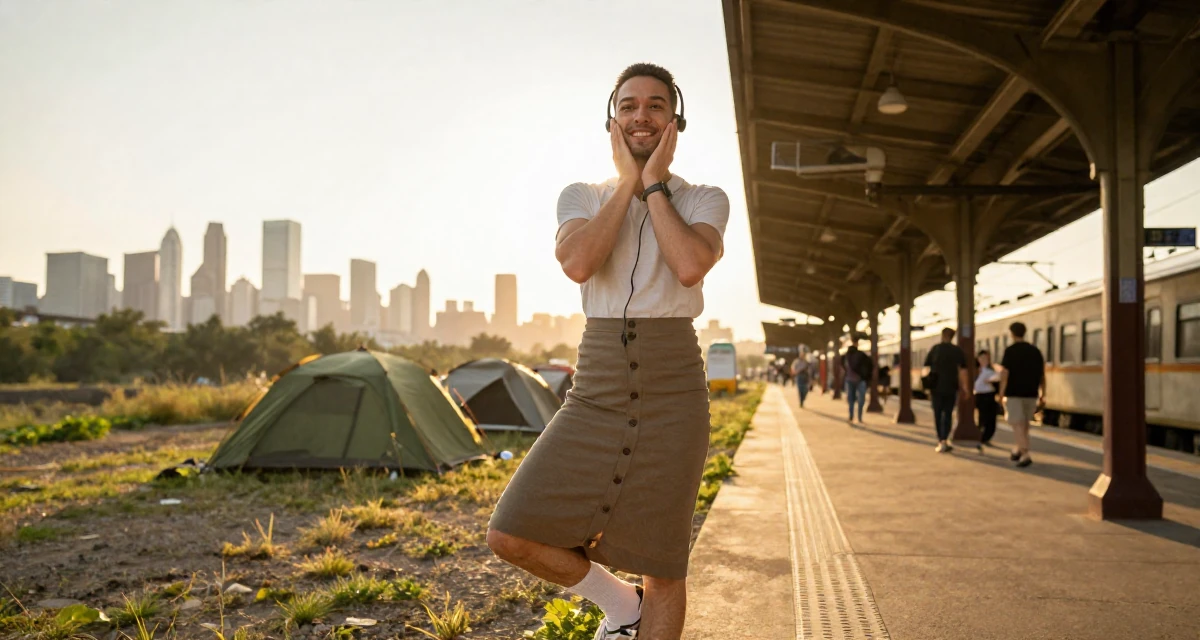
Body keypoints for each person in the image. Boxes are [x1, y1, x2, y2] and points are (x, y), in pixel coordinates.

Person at [486, 63, 729, 640]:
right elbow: (578, 263)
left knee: (663, 563)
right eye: (628, 106)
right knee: (509, 532)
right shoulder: (581, 196)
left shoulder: (705, 199)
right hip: (596, 388)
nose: (641, 116)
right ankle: (623, 607)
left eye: (655, 105)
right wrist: (626, 184)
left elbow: (690, 266)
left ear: (676, 122)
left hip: (675, 391)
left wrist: (654, 185)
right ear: (612, 122)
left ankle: (642, 609)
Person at [999, 321, 1045, 468]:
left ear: (1012, 334)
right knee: (1024, 424)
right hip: (1031, 393)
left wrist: (1001, 392)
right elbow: (1042, 375)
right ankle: (1018, 449)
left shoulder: (1010, 351)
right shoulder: (1035, 351)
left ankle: (1025, 453)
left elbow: (1005, 373)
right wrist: (1043, 393)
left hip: (1014, 393)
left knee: (1017, 424)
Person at [923, 327, 969, 453]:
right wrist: (965, 388)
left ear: (942, 335)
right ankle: (945, 439)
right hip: (951, 387)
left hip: (936, 387)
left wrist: (926, 386)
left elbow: (926, 368)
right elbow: (963, 371)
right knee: (948, 413)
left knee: (937, 414)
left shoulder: (935, 349)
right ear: (952, 337)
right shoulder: (957, 351)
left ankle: (941, 440)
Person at [974, 350, 1000, 445]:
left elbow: (998, 378)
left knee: (991, 418)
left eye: (986, 358)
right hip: (979, 395)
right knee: (982, 417)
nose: (984, 360)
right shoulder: (975, 370)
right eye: (981, 358)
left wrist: (991, 381)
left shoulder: (993, 370)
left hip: (990, 395)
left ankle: (986, 437)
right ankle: (980, 436)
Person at [842, 343, 871, 422]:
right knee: (861, 399)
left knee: (851, 399)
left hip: (850, 379)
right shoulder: (861, 355)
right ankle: (859, 417)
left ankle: (851, 416)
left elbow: (844, 367)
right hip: (860, 379)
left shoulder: (846, 357)